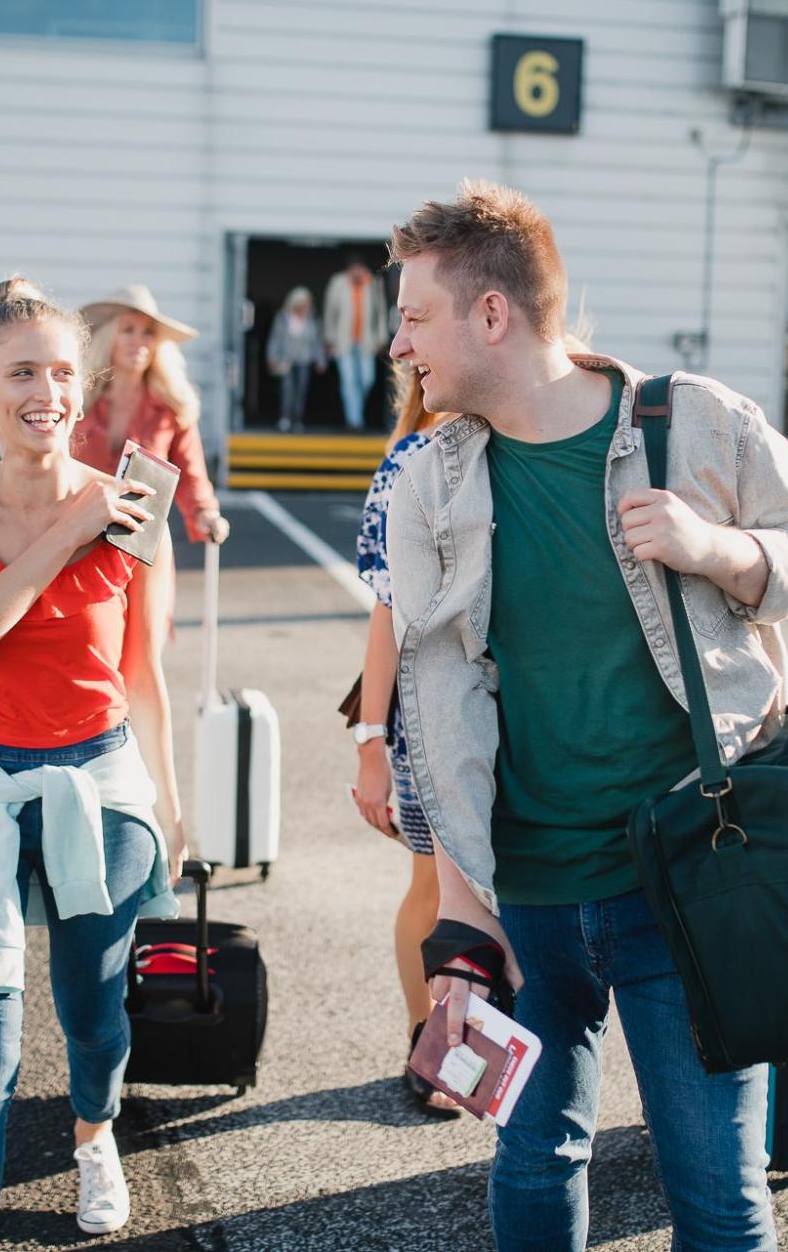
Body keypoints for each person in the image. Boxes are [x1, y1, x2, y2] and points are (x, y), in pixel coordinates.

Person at [384, 181, 788, 1251]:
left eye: (414, 316)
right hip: (527, 899)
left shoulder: (693, 421)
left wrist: (715, 549)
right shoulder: (428, 483)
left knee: (715, 1189)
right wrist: (463, 930)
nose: (400, 346)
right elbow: (436, 712)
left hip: (684, 881)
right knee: (532, 1164)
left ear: (489, 315)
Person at [0, 277, 189, 1248]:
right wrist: (65, 536)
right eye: (21, 371)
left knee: (93, 1015)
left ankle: (93, 1132)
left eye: (62, 371)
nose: (46, 390)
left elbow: (143, 667)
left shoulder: (138, 498)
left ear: (83, 385)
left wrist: (169, 799)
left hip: (100, 779)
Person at [349, 356, 455, 1115]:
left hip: (524, 714)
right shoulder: (412, 458)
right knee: (436, 885)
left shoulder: (515, 440)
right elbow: (387, 612)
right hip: (430, 715)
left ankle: (477, 1038)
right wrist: (369, 743)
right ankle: (430, 1044)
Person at [72, 283, 230, 645]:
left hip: (141, 552)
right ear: (109, 336)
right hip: (76, 548)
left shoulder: (172, 409)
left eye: (147, 333)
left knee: (140, 656)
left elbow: (193, 478)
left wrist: (205, 515)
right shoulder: (76, 401)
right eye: (128, 330)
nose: (138, 341)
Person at [322, 256, 388, 429]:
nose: (356, 273)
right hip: (343, 341)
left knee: (367, 379)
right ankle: (355, 420)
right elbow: (330, 311)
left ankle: (355, 412)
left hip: (366, 341)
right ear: (349, 270)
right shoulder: (338, 283)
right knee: (349, 380)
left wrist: (382, 337)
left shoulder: (373, 283)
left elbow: (380, 312)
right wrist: (329, 338)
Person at [265, 285, 325, 432]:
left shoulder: (312, 320)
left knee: (301, 391)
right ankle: (285, 418)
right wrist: (271, 357)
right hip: (286, 361)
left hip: (304, 360)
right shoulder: (283, 318)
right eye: (303, 304)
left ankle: (297, 420)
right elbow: (275, 339)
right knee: (287, 389)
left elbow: (316, 342)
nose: (306, 307)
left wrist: (320, 359)